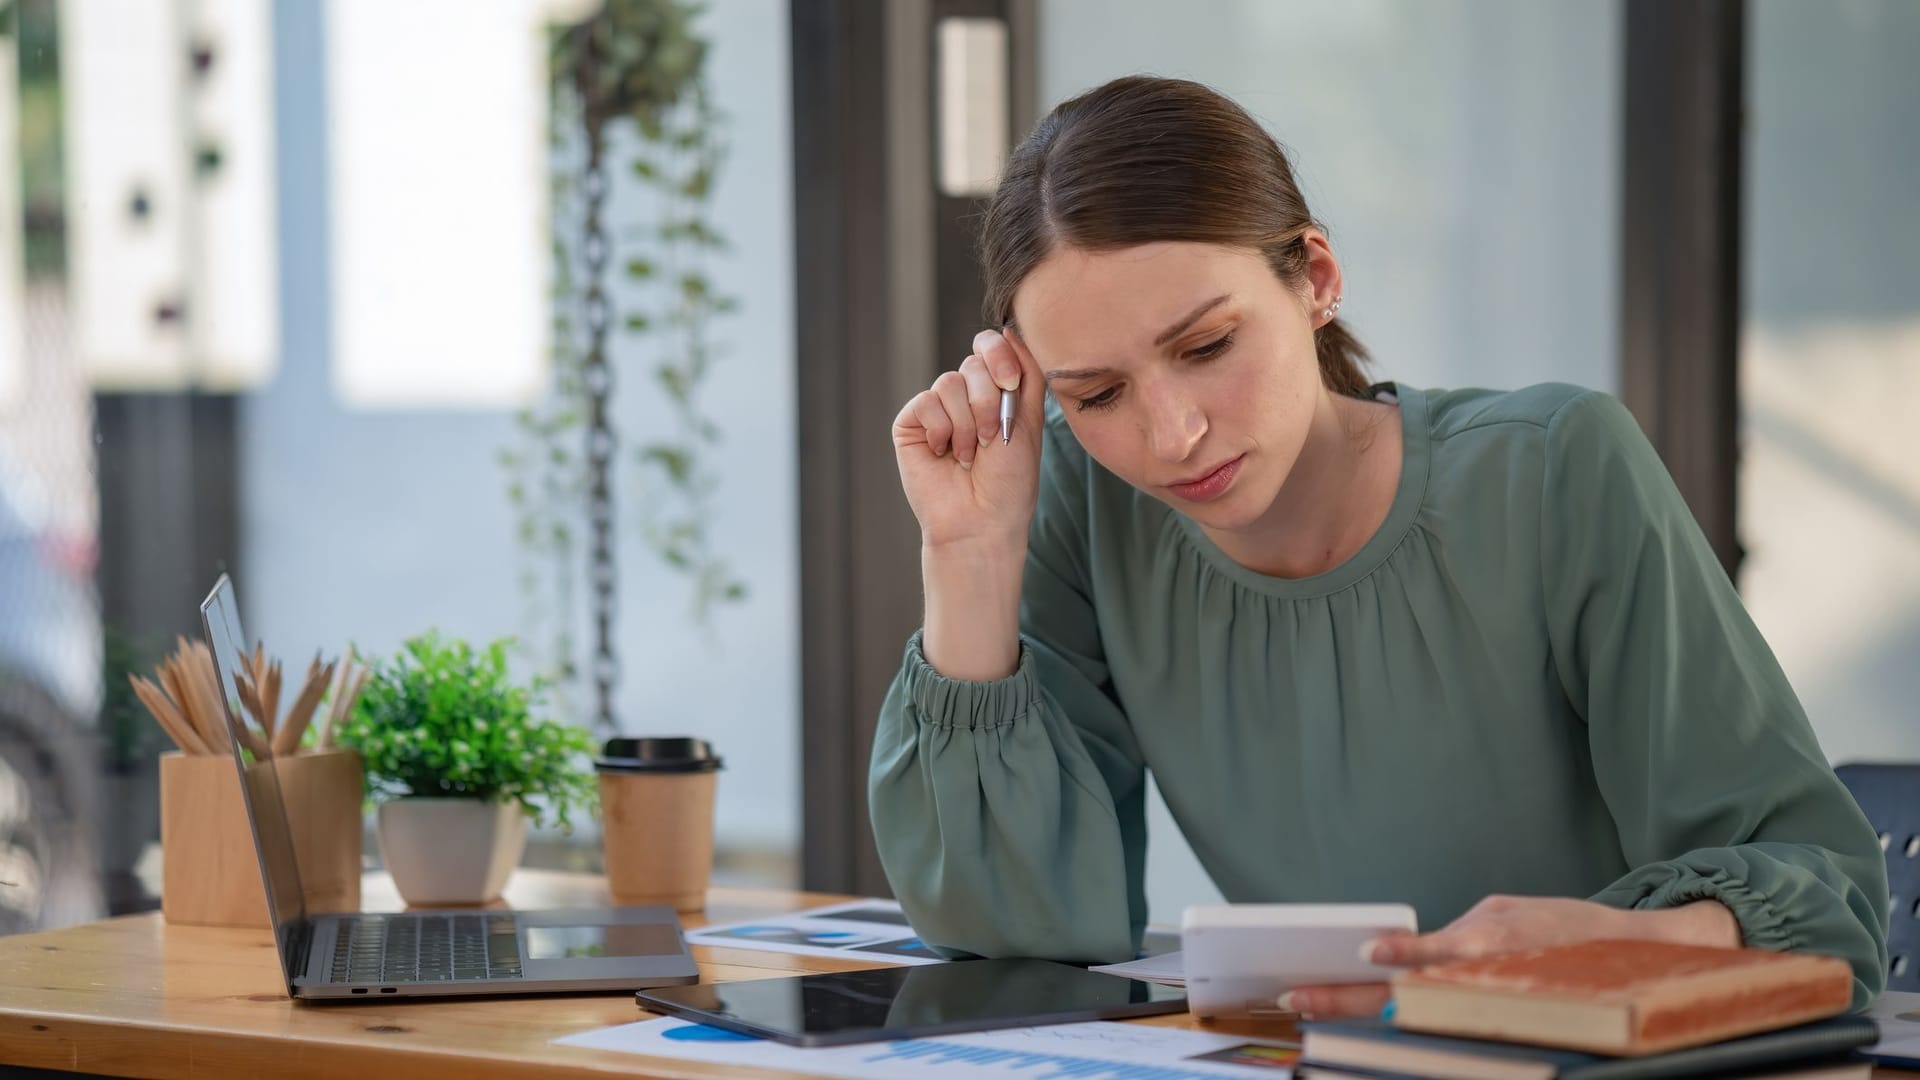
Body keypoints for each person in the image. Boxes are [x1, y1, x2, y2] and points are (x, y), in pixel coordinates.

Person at [867, 75, 1890, 1017]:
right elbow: (1018, 935)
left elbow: (1832, 910)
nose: (1171, 434)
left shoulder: (1556, 471)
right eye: (1097, 394)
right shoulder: (1083, 503)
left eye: (1208, 346)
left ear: (1315, 277)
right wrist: (970, 556)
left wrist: (1617, 943)